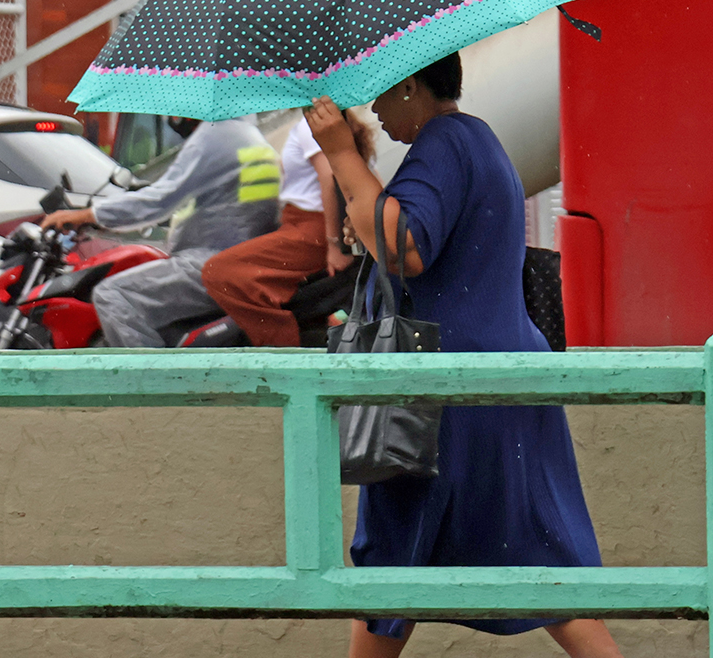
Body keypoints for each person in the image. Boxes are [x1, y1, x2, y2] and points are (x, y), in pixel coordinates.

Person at [305, 53, 623, 658]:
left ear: (409, 85)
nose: (373, 108)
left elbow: (407, 248)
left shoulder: (445, 142)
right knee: (540, 549)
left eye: (381, 94)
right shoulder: (472, 138)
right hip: (493, 380)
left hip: (448, 390)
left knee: (392, 551)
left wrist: (342, 155)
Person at [40, 114, 280, 347]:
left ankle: (151, 383)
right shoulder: (247, 134)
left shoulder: (216, 134)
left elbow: (159, 201)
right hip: (237, 259)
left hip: (211, 264)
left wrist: (86, 215)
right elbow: (216, 207)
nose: (173, 116)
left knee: (113, 297)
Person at [200, 110, 373, 347]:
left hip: (313, 227)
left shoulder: (312, 123)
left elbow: (330, 178)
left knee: (219, 272)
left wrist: (335, 244)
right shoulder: (333, 122)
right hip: (305, 225)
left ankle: (283, 350)